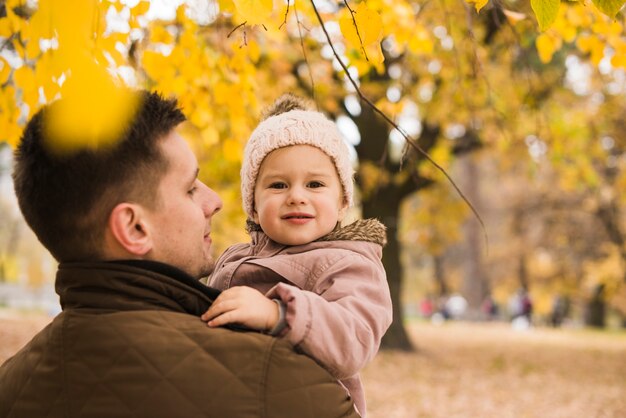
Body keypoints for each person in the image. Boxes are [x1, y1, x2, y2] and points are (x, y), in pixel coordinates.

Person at [0, 90, 360, 418]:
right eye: (190, 189)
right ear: (134, 228)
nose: (215, 202)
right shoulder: (278, 381)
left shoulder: (10, 387)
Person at [201, 94, 393, 417]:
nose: (296, 197)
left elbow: (353, 339)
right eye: (278, 185)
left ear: (343, 202)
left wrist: (279, 313)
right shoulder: (233, 258)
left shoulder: (350, 263)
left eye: (315, 184)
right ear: (253, 203)